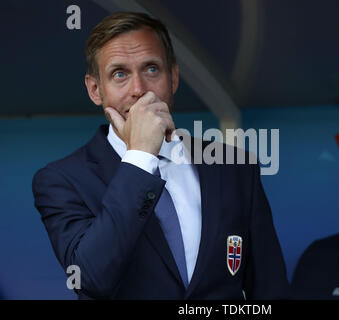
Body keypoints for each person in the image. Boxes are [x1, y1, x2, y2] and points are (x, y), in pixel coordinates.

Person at [32, 12, 288, 299]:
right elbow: (91, 278)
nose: (139, 90)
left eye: (152, 69)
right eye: (119, 74)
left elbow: (269, 288)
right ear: (95, 90)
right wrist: (141, 156)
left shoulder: (233, 165)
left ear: (174, 78)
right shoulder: (61, 180)